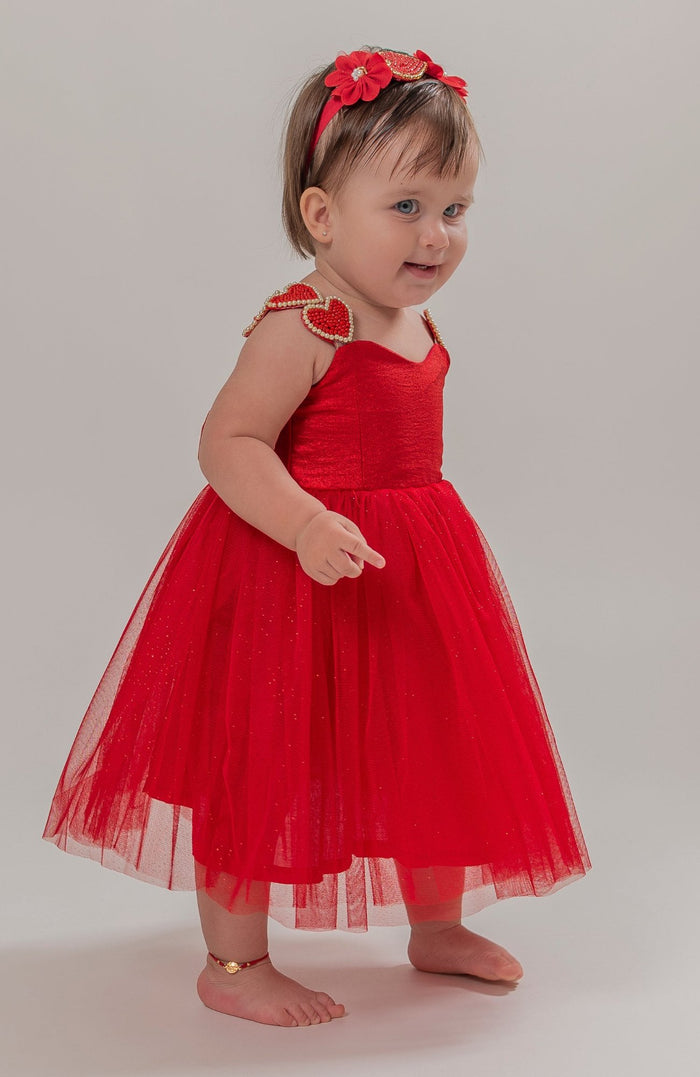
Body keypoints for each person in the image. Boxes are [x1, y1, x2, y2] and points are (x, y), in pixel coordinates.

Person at [43, 46, 592, 1028]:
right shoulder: (309, 321)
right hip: (289, 575)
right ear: (323, 215)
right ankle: (235, 963)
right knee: (262, 762)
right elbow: (228, 441)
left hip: (408, 571)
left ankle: (435, 925)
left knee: (429, 743)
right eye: (406, 206)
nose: (435, 235)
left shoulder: (414, 319)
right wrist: (302, 521)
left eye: (455, 208)